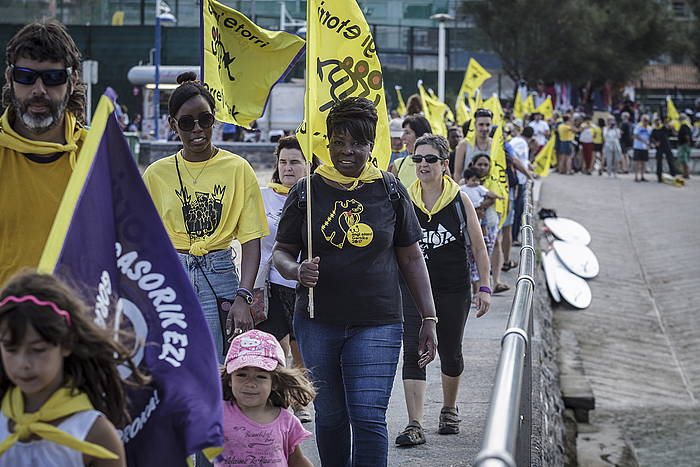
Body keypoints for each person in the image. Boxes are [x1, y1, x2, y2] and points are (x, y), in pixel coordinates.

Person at [272, 97, 438, 467]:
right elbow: (281, 254)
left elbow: (411, 258)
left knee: (367, 415)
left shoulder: (391, 190)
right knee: (330, 417)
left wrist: (429, 318)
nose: (348, 152)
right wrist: (297, 270)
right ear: (327, 142)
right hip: (317, 322)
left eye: (358, 143)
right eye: (339, 142)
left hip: (378, 321)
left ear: (371, 144)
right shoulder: (307, 191)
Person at [143, 72, 269, 363]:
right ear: (174, 125)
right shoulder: (156, 174)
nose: (197, 129)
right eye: (186, 123)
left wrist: (243, 296)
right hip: (171, 277)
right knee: (174, 365)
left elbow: (251, 240)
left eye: (205, 119)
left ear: (215, 119)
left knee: (221, 370)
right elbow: (144, 241)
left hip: (220, 275)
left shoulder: (238, 169)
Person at [396, 134, 491, 447]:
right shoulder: (405, 199)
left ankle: (449, 409)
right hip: (412, 289)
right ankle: (414, 423)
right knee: (414, 351)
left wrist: (485, 287)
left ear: (445, 164)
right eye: (417, 159)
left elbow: (478, 247)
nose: (423, 164)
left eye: (430, 159)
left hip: (452, 288)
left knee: (450, 351)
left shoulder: (460, 200)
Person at [0, 271, 150, 466]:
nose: (23, 363)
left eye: (38, 349)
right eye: (11, 348)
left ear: (67, 343)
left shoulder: (95, 435)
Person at [0, 19, 88, 286]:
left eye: (52, 78)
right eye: (25, 77)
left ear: (72, 80)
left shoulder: (98, 156)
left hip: (78, 323)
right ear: (9, 78)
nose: (38, 90)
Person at [257, 135, 313, 423]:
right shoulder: (263, 196)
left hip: (305, 286)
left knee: (300, 348)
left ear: (307, 165)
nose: (288, 168)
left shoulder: (315, 196)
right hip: (272, 284)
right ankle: (280, 402)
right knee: (275, 346)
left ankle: (301, 401)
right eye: (283, 162)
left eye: (295, 162)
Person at [217, 329, 314, 467]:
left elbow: (297, 460)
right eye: (242, 375)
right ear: (230, 379)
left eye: (260, 376)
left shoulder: (286, 422)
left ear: (274, 383)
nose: (250, 383)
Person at [390, 114, 432, 188]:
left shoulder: (437, 163)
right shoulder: (398, 164)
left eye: (407, 133)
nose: (402, 137)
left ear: (421, 136)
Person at [460, 167, 502, 238]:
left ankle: (485, 239)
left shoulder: (479, 187)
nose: (476, 182)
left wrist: (497, 196)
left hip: (480, 209)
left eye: (477, 180)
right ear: (467, 180)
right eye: (473, 180)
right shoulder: (462, 188)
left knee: (483, 225)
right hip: (468, 210)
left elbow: (488, 193)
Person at [651, 118, 677, 182]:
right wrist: (655, 143)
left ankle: (673, 174)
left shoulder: (664, 128)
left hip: (667, 146)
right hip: (659, 147)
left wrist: (672, 127)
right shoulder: (654, 130)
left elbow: (673, 132)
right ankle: (659, 176)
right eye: (656, 122)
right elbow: (652, 138)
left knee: (670, 160)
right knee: (659, 162)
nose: (658, 123)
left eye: (659, 121)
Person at [632, 115, 651, 182]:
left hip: (645, 148)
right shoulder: (638, 126)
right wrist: (644, 141)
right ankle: (636, 176)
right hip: (638, 146)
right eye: (644, 120)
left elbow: (650, 136)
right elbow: (635, 135)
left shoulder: (649, 128)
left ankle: (642, 176)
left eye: (647, 120)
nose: (645, 122)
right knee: (637, 162)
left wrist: (649, 143)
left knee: (643, 162)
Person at [677, 114, 693, 179]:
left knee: (684, 161)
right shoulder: (686, 125)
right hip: (685, 145)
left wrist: (687, 143)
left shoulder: (684, 126)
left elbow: (687, 135)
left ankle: (686, 174)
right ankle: (685, 174)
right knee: (684, 161)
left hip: (684, 145)